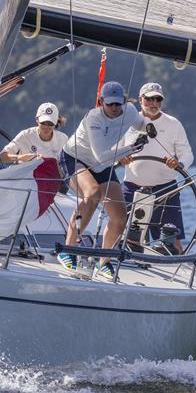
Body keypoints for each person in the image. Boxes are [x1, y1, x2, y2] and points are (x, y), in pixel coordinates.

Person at [56, 81, 155, 279]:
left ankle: (104, 262)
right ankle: (68, 249)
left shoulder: (129, 111)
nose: (114, 108)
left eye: (118, 104)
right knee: (92, 194)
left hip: (102, 165)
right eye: (110, 104)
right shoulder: (94, 119)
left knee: (120, 216)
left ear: (124, 102)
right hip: (75, 159)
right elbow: (102, 156)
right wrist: (133, 147)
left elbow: (140, 122)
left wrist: (149, 126)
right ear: (101, 102)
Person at [119, 82, 194, 254]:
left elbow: (188, 154)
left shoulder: (173, 124)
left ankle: (180, 272)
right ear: (140, 100)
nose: (154, 103)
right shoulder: (127, 121)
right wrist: (120, 157)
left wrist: (179, 164)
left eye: (158, 99)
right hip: (132, 186)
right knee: (124, 234)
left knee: (172, 242)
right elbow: (114, 150)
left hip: (166, 188)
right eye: (149, 99)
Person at [0, 102, 69, 164]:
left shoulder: (63, 139)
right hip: (24, 176)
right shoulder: (25, 135)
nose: (46, 126)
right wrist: (19, 157)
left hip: (51, 177)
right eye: (43, 122)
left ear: (56, 122)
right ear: (37, 119)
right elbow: (2, 156)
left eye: (50, 123)